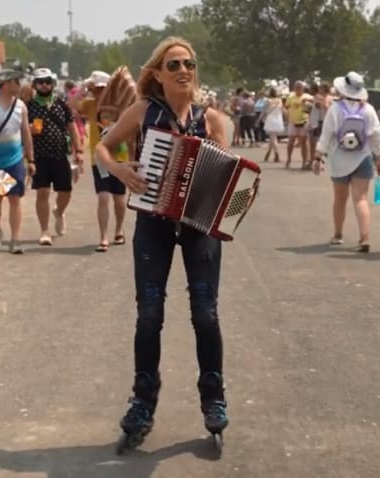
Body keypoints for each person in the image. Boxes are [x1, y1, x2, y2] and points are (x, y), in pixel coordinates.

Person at [93, 36, 230, 450]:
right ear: (157, 73)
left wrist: (233, 194)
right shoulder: (143, 111)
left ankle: (214, 398)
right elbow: (102, 145)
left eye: (188, 63)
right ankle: (143, 402)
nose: (183, 70)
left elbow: (228, 176)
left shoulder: (213, 121)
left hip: (197, 225)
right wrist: (119, 170)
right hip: (153, 220)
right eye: (173, 65)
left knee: (205, 313)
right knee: (149, 314)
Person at [313, 71, 380, 253]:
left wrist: (318, 156)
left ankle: (338, 234)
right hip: (363, 157)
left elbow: (326, 134)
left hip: (339, 159)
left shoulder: (335, 109)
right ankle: (365, 237)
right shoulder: (368, 110)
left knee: (339, 199)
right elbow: (376, 135)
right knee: (361, 199)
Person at [0, 70, 35, 254]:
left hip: (15, 160)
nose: (20, 85)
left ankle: (15, 239)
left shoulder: (21, 107)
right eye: (17, 82)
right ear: (7, 83)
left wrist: (31, 158)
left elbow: (26, 134)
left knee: (15, 198)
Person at [27, 68, 84, 246]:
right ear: (35, 84)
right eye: (40, 82)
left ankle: (59, 212)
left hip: (60, 155)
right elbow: (21, 129)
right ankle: (45, 231)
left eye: (47, 81)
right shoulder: (29, 106)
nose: (44, 85)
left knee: (65, 191)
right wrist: (30, 129)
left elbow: (72, 127)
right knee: (42, 192)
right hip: (39, 155)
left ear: (52, 83)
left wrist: (79, 150)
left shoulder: (61, 103)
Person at [75, 70, 130, 252]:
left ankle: (119, 229)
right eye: (96, 88)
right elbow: (73, 105)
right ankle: (103, 237)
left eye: (102, 88)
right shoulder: (90, 104)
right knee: (103, 197)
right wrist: (82, 88)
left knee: (119, 198)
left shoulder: (120, 104)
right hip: (99, 158)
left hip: (120, 156)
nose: (98, 92)